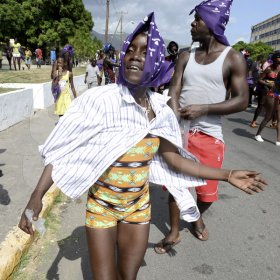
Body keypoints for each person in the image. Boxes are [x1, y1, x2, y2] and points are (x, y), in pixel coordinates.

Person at [18, 13, 266, 280]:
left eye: (145, 51)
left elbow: (176, 161)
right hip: (101, 205)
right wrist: (36, 198)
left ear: (157, 61)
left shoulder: (160, 109)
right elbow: (62, 149)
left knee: (129, 276)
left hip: (138, 207)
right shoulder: (101, 100)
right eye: (131, 49)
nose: (135, 56)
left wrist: (227, 175)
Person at [154, 0, 250, 254]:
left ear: (213, 23)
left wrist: (205, 109)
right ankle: (174, 233)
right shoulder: (186, 55)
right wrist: (174, 112)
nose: (192, 23)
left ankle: (196, 216)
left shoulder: (233, 58)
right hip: (180, 132)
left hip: (209, 134)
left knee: (206, 193)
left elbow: (242, 100)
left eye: (197, 19)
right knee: (176, 186)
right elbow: (175, 86)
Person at [254, 51, 280, 144]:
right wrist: (268, 83)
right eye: (279, 57)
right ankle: (258, 134)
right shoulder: (269, 69)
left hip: (278, 94)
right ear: (274, 59)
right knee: (268, 116)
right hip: (270, 93)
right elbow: (259, 79)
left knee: (278, 117)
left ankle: (278, 139)